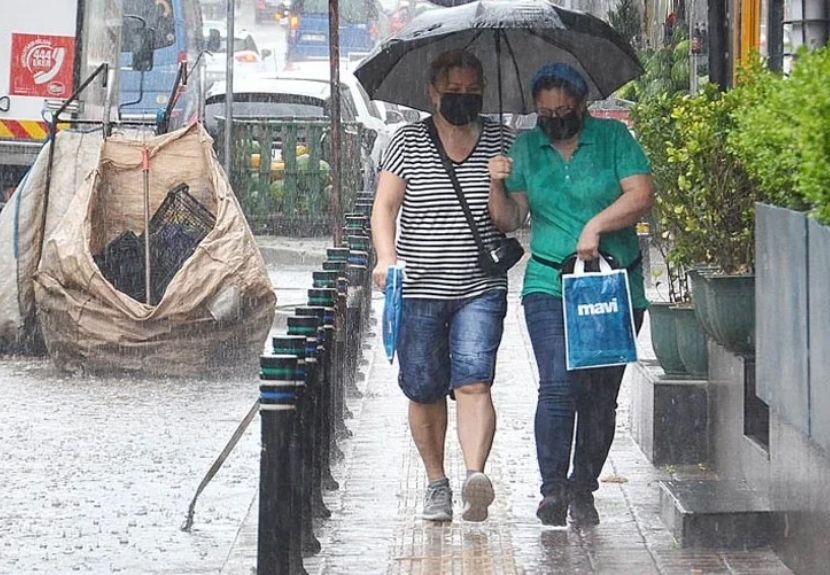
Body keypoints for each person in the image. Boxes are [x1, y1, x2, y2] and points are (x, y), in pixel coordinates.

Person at [487, 63, 654, 526]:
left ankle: (584, 486)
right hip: (549, 284)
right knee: (558, 385)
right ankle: (552, 489)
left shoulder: (614, 141)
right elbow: (510, 219)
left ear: (582, 104)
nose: (554, 118)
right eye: (545, 111)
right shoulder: (526, 147)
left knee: (599, 396)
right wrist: (497, 182)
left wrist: (596, 225)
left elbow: (641, 194)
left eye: (563, 109)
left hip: (611, 286)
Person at [371, 49, 512, 523]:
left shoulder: (501, 140)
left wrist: (498, 182)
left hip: (480, 287)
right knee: (424, 389)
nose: (463, 100)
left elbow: (512, 219)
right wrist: (387, 260)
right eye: (454, 92)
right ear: (432, 93)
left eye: (473, 92)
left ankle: (476, 476)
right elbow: (385, 207)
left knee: (474, 380)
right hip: (419, 288)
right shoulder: (407, 141)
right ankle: (436, 482)